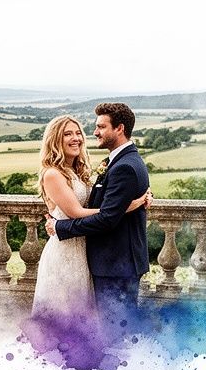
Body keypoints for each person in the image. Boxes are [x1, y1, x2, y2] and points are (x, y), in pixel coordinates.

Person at [45, 104, 152, 343]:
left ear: (120, 128)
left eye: (101, 127)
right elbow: (104, 208)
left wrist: (59, 228)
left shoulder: (124, 166)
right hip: (102, 260)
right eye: (94, 127)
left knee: (115, 334)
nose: (94, 133)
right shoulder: (119, 161)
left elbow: (107, 219)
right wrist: (127, 206)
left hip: (116, 263)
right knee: (105, 328)